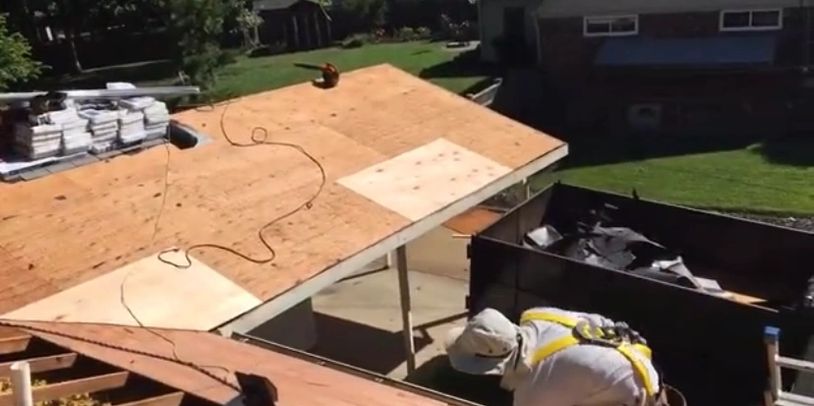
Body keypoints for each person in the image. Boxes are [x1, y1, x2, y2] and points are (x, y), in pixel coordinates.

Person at [444, 307, 669, 406]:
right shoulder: (537, 315)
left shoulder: (537, 388)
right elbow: (603, 323)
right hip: (641, 362)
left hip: (641, 397)